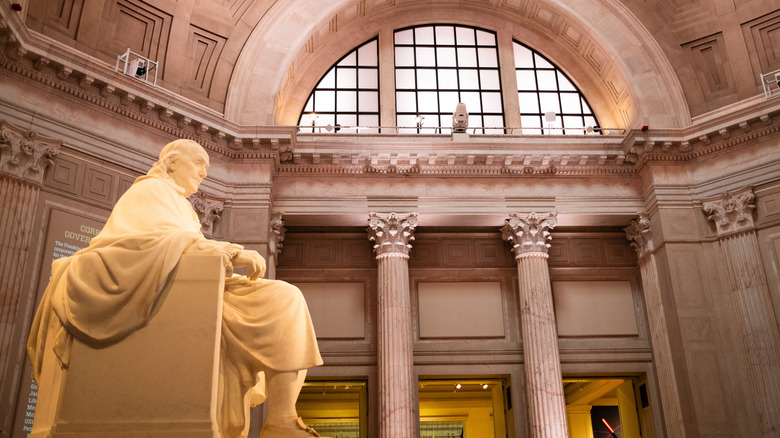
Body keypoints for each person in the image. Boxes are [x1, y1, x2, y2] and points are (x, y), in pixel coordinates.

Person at [27, 139, 326, 438]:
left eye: (206, 168)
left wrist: (219, 252)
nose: (203, 173)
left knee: (286, 296)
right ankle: (281, 421)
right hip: (166, 289)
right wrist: (230, 252)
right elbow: (140, 245)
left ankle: (282, 419)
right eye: (198, 163)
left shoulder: (180, 204)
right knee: (283, 298)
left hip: (191, 289)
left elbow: (179, 245)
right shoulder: (149, 190)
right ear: (172, 162)